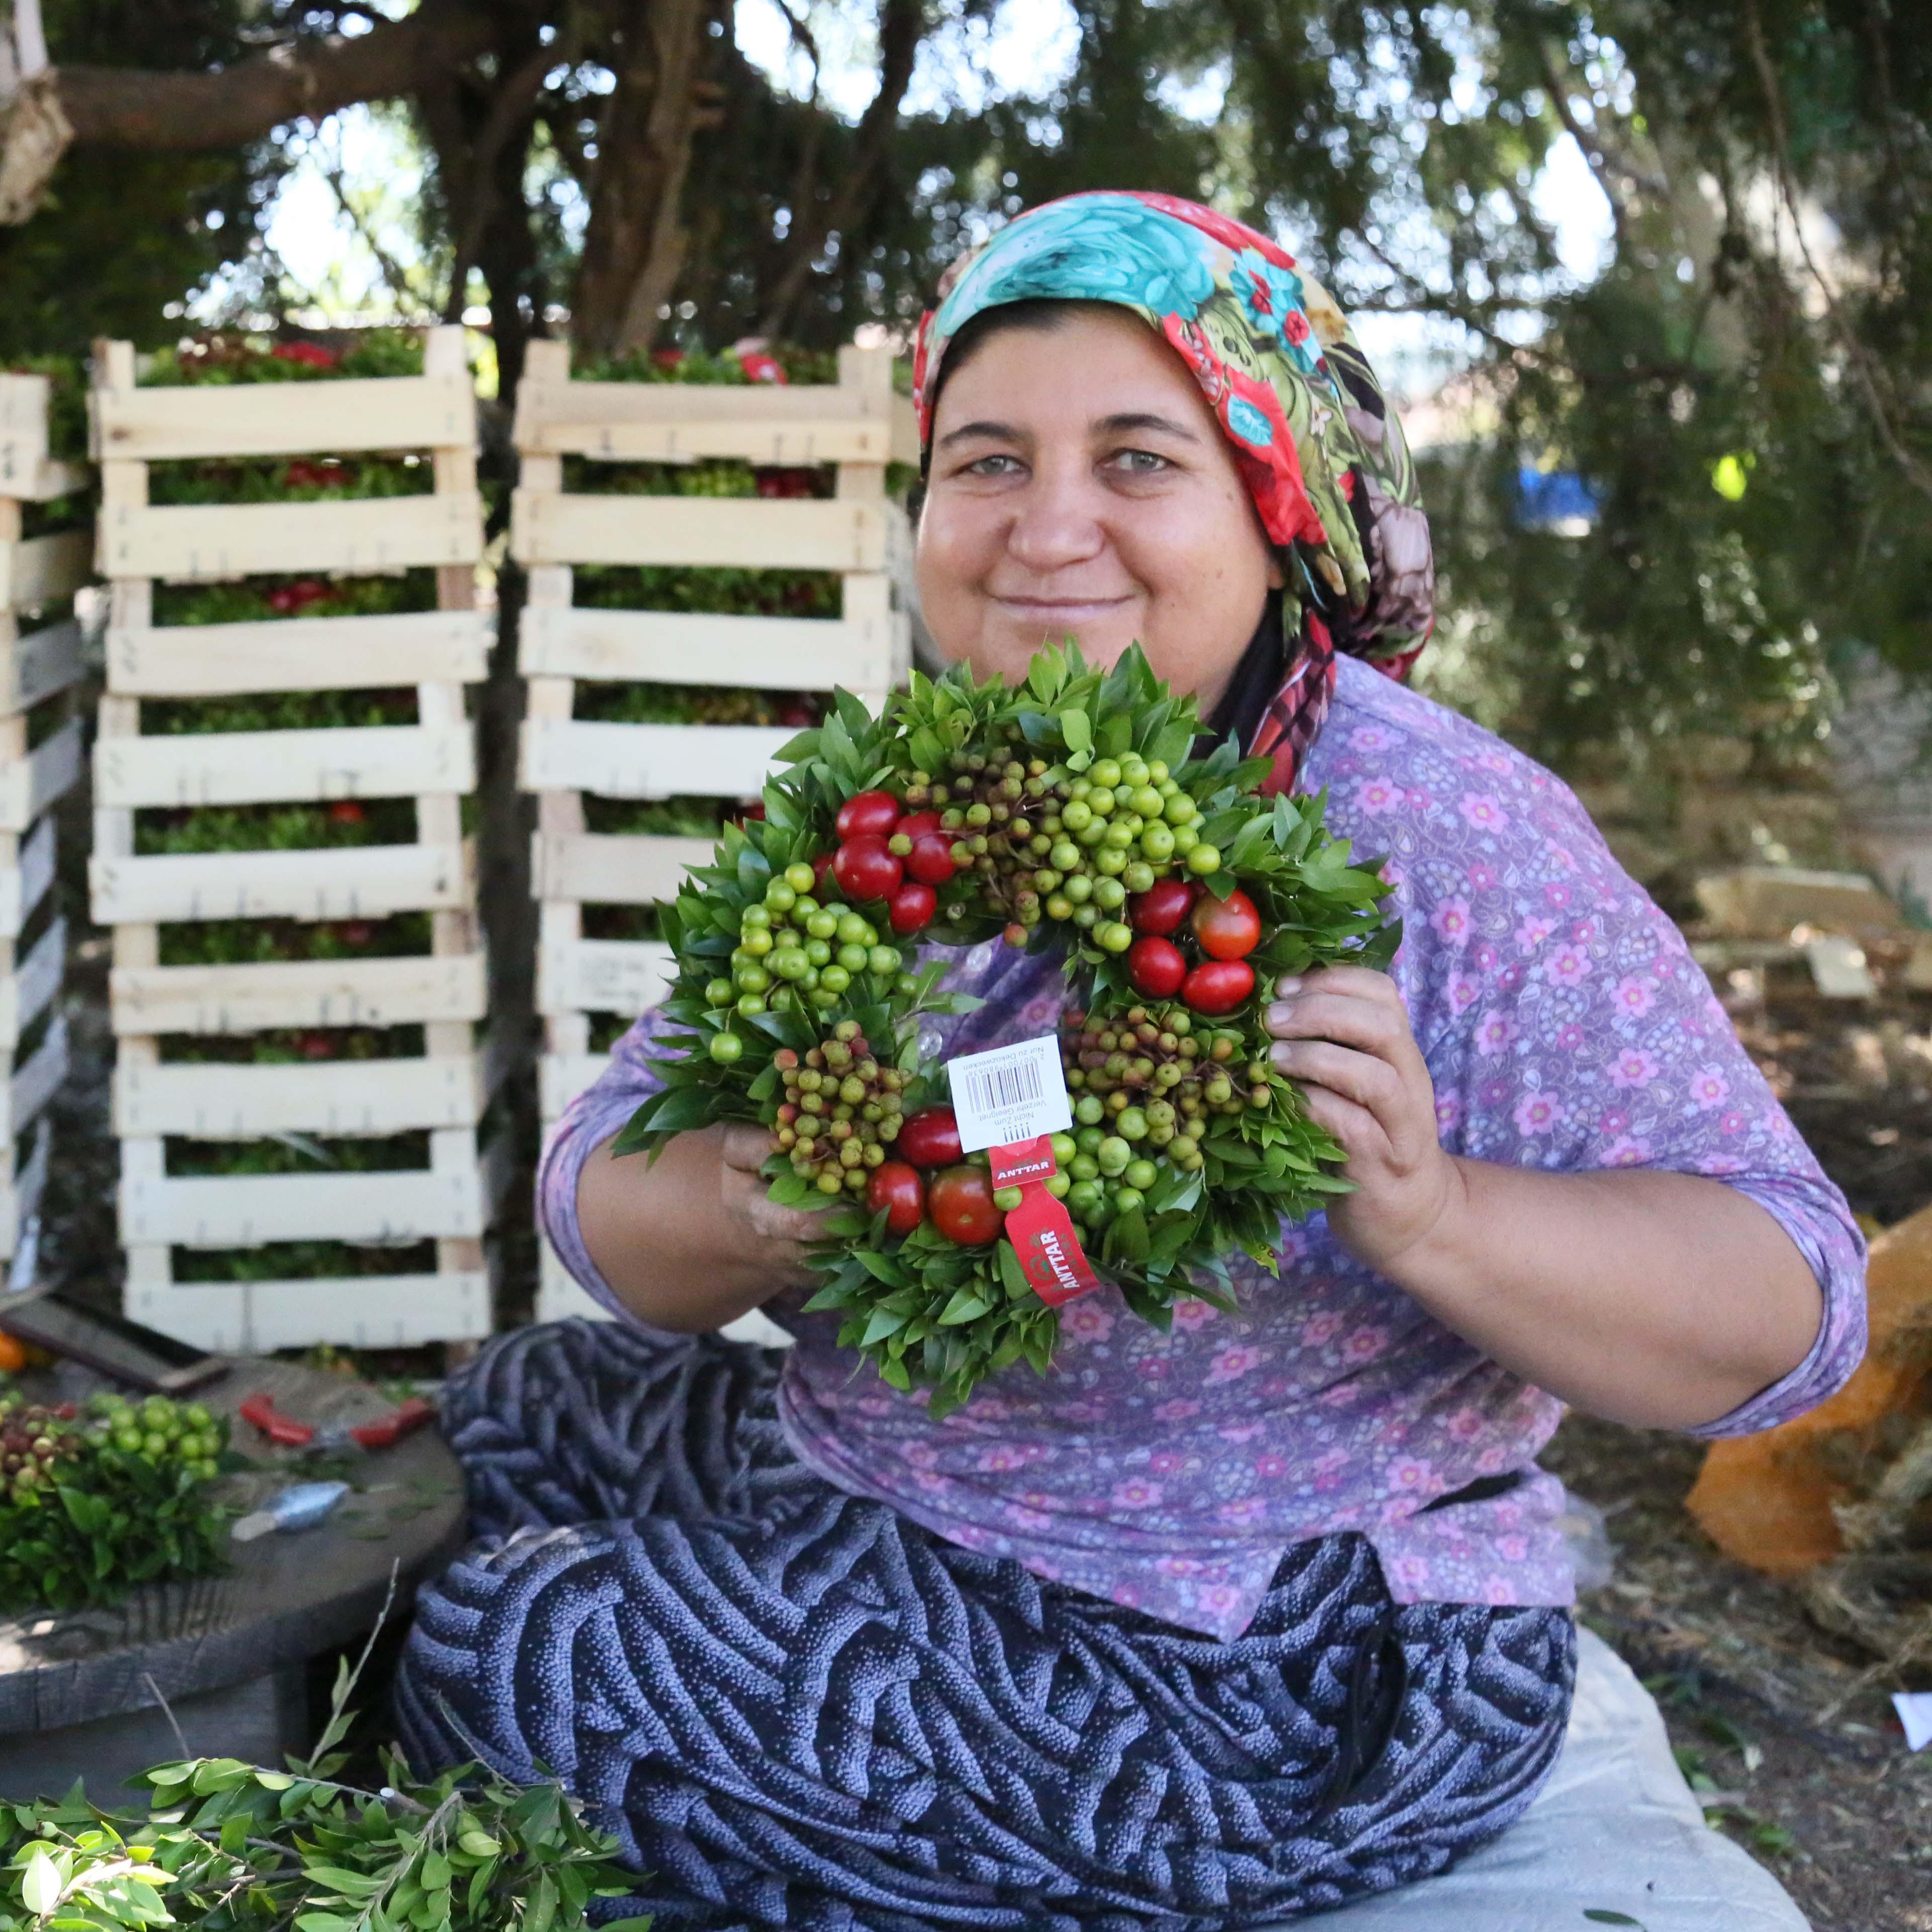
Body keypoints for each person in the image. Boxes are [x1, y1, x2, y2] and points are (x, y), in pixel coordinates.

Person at [393, 191, 1867, 1930]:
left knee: (515, 1649)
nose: (1047, 529)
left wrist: (1439, 1214)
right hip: (909, 1491)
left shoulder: (1445, 835)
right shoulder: (911, 803)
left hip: (1262, 1658)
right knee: (522, 1412)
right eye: (988, 461)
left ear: (1273, 502)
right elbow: (604, 1188)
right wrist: (748, 1200)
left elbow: (1790, 1302)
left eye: (1140, 461)